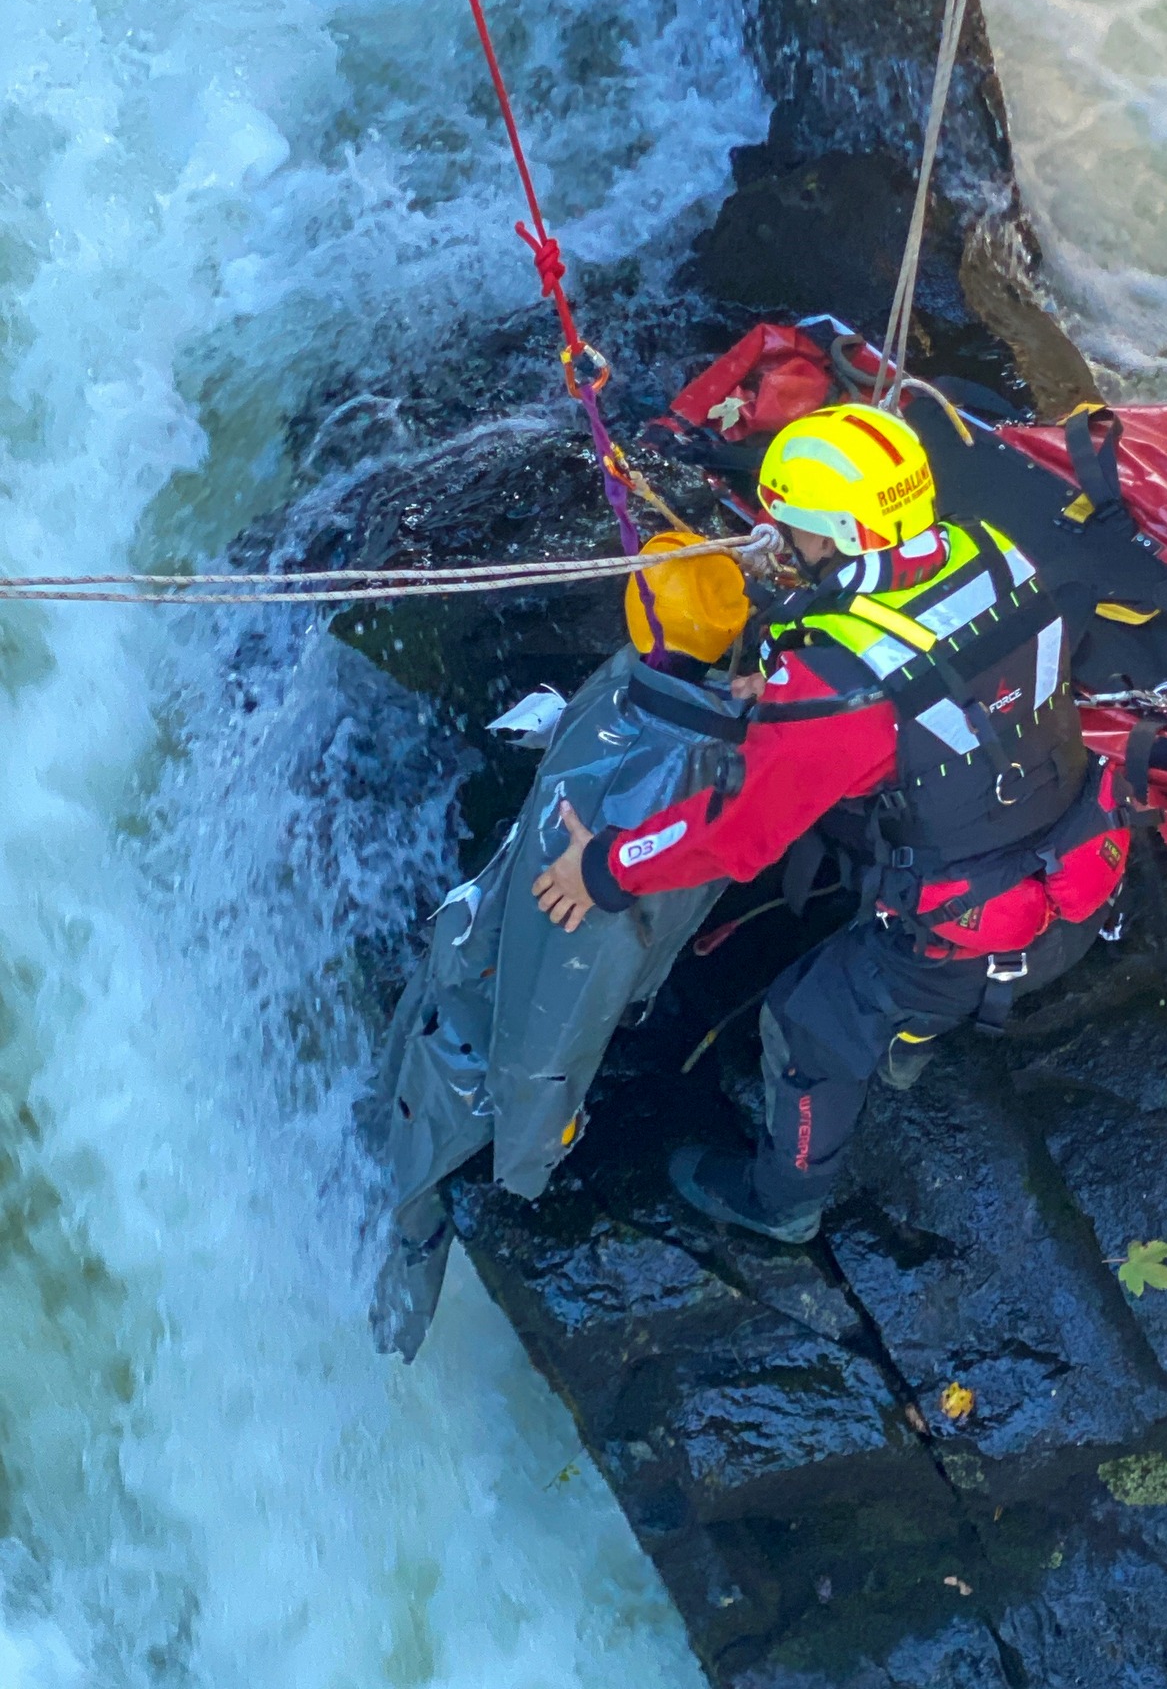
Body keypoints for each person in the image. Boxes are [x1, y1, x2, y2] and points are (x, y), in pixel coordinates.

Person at [534, 405, 1128, 1244]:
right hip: (1075, 856)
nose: (781, 539)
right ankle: (913, 1031)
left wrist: (601, 869)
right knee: (907, 857)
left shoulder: (841, 685)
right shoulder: (994, 551)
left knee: (805, 1022)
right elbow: (947, 677)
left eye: (792, 525)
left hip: (969, 934)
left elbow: (734, 838)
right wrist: (792, 698)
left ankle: (786, 1202)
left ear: (837, 533)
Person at [369, 530, 751, 1359]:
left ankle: (391, 1334)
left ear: (648, 620)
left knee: (415, 1169)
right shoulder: (716, 721)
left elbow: (560, 1000)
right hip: (483, 950)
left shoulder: (626, 795)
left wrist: (531, 1148)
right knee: (393, 1097)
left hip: (480, 1015)